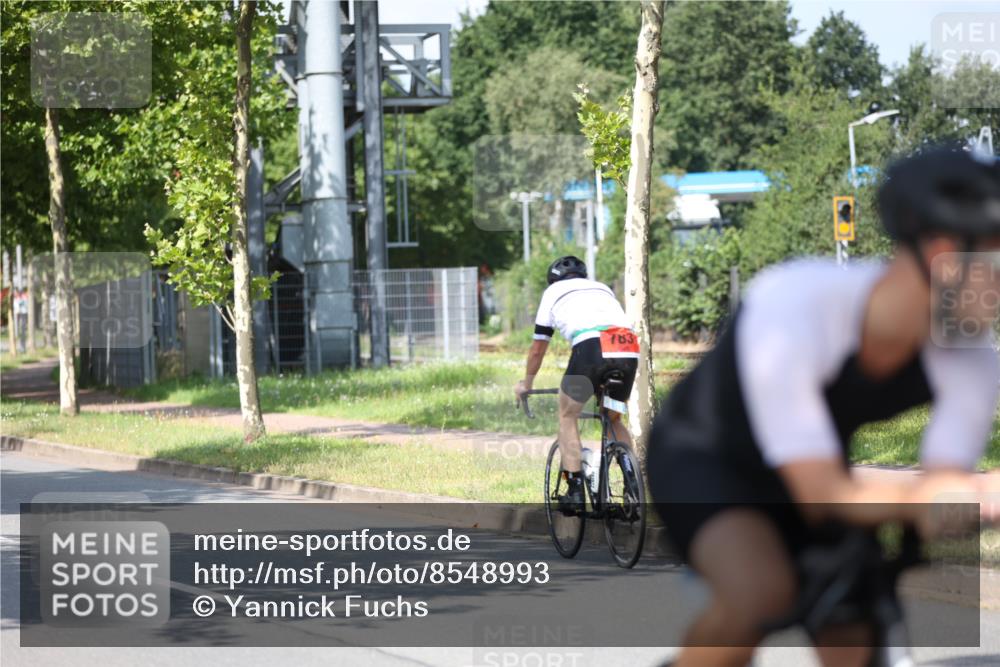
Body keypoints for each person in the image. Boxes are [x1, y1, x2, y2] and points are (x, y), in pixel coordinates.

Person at [647, 146, 1000, 667]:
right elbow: (823, 494)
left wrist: (966, 500)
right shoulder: (797, 305)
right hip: (705, 456)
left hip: (818, 462)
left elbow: (938, 488)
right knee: (758, 593)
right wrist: (968, 493)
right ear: (942, 250)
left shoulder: (972, 355)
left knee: (853, 625)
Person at [514, 255, 639, 510]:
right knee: (613, 417)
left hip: (591, 350)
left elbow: (538, 347)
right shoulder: (602, 288)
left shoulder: (552, 292)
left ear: (553, 280)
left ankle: (574, 491)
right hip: (626, 349)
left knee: (567, 415)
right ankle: (632, 482)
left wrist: (526, 383)